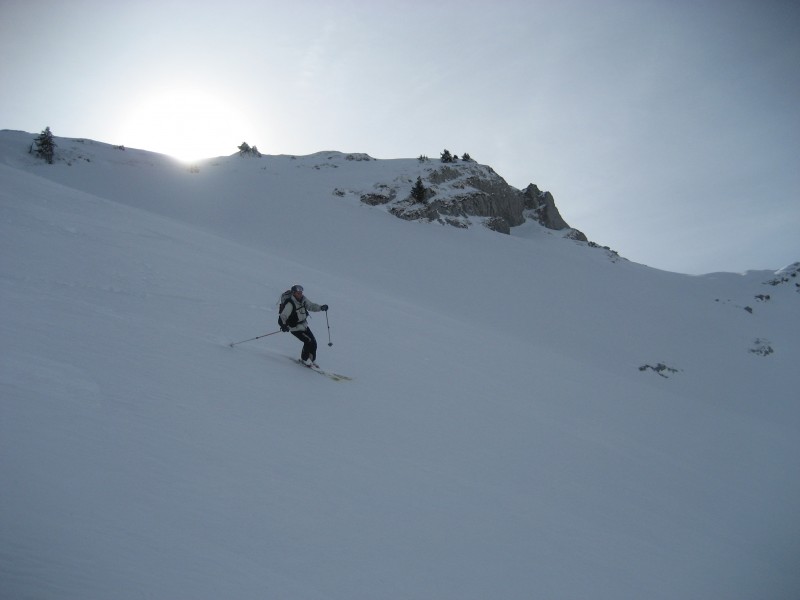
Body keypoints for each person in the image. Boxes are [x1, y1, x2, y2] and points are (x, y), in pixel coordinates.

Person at [279, 284, 328, 366]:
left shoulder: (303, 300)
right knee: (308, 341)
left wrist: (321, 307)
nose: (300, 294)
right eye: (298, 293)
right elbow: (283, 316)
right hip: (295, 328)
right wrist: (283, 325)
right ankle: (305, 359)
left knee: (314, 342)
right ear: (294, 293)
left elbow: (311, 306)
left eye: (301, 293)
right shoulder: (290, 303)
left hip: (304, 326)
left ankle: (312, 360)